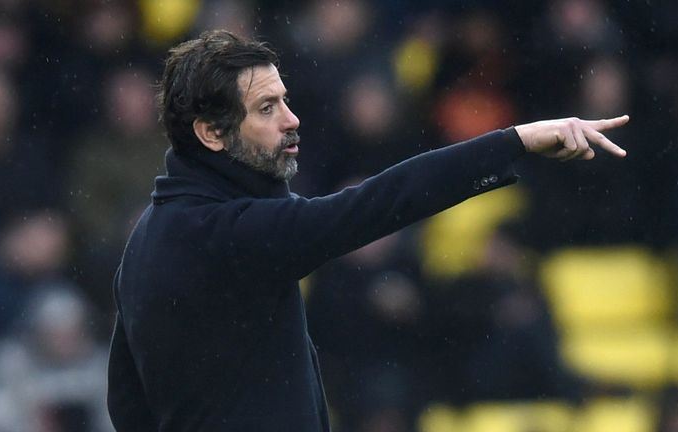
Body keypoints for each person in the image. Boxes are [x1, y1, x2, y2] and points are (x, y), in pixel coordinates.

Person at [106, 29, 629, 431]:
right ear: (211, 134)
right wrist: (516, 140)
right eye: (267, 108)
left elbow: (126, 400)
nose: (292, 119)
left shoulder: (150, 236)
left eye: (285, 100)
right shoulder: (226, 232)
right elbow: (379, 203)